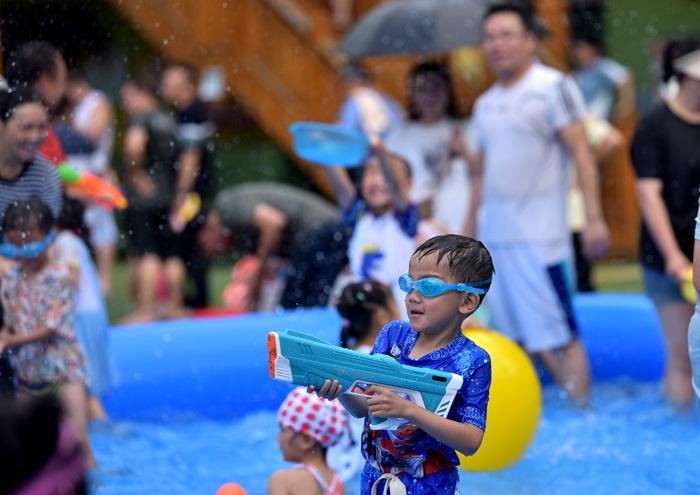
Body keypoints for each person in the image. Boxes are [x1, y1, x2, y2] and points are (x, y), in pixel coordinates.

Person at [464, 3, 610, 405]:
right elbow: (480, 177)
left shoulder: (552, 86)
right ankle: (546, 411)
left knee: (560, 335)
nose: (497, 45)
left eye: (507, 35)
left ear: (530, 40)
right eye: (490, 37)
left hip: (541, 239)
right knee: (517, 337)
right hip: (497, 240)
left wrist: (594, 219)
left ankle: (584, 416)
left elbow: (582, 153)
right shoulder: (485, 104)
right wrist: (464, 240)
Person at [311, 234, 493, 495]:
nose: (412, 297)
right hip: (375, 478)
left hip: (431, 485)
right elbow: (365, 407)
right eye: (409, 283)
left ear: (467, 301)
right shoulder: (392, 335)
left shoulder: (472, 360)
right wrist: (341, 391)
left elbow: (471, 440)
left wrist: (409, 410)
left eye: (429, 287)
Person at [0, 199, 93, 467]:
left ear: (49, 237)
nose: (21, 254)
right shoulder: (12, 278)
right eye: (14, 246)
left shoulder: (61, 276)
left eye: (28, 245)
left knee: (79, 442)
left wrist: (10, 340)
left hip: (65, 373)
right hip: (28, 376)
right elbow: (13, 320)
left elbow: (50, 326)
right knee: (33, 452)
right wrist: (6, 333)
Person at [632, 46, 700, 407]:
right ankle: (682, 434)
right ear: (689, 76)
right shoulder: (655, 126)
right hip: (668, 259)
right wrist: (675, 257)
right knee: (682, 357)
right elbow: (649, 195)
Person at [0, 86, 62, 396]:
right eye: (26, 127)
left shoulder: (44, 175)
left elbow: (47, 242)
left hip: (25, 277)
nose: (36, 136)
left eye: (42, 127)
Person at [198, 182, 338, 310]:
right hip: (321, 232)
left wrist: (259, 271)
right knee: (304, 300)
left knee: (298, 303)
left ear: (204, 233)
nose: (213, 253)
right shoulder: (235, 228)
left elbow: (274, 223)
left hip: (320, 229)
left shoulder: (227, 208)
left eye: (204, 247)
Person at [121, 73, 187, 323]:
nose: (126, 102)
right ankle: (174, 305)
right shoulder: (168, 118)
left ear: (143, 94)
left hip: (145, 196)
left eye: (129, 96)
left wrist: (135, 172)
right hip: (167, 194)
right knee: (171, 253)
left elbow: (133, 145)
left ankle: (145, 310)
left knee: (146, 251)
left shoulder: (142, 119)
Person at [324, 142, 417, 315]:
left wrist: (380, 151)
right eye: (370, 173)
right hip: (361, 314)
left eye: (384, 173)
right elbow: (341, 186)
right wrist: (323, 149)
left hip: (398, 315)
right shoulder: (359, 218)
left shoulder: (404, 218)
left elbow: (395, 186)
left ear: (408, 185)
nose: (376, 181)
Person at [327, 281, 400, 483]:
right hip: (369, 466)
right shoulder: (383, 364)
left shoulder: (346, 359)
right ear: (381, 315)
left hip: (338, 463)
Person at [385, 61, 471, 232]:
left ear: (448, 90)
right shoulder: (398, 137)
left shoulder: (467, 129)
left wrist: (465, 153)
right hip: (419, 230)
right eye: (422, 89)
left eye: (436, 87)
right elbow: (391, 186)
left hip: (465, 227)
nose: (430, 95)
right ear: (412, 94)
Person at [54, 197, 116, 421]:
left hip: (81, 320)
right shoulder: (74, 241)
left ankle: (105, 433)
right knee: (87, 387)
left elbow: (71, 283)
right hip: (91, 316)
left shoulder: (65, 243)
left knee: (86, 388)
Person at [160, 63, 214, 308]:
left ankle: (196, 300)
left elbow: (191, 157)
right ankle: (195, 298)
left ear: (187, 86)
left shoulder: (192, 112)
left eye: (171, 83)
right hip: (195, 192)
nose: (165, 88)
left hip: (193, 194)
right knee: (189, 245)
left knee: (188, 245)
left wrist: (181, 193)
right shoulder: (186, 111)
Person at [65, 71, 119, 296]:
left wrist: (65, 128)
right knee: (83, 224)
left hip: (94, 171)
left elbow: (93, 135)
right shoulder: (76, 106)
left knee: (102, 226)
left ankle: (105, 280)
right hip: (76, 173)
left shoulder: (98, 102)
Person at [268, 387, 347, 495]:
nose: (278, 438)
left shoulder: (283, 480)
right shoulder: (337, 483)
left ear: (306, 440)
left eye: (283, 430)